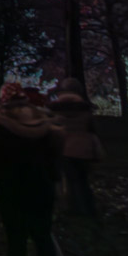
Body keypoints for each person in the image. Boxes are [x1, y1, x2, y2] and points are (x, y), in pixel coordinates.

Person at [0, 82, 62, 256]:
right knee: (43, 236)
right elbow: (54, 157)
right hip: (42, 186)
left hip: (12, 188)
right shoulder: (44, 125)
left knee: (16, 239)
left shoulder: (1, 127)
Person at [48, 77, 102, 218]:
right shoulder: (85, 110)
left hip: (64, 149)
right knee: (82, 181)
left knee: (69, 181)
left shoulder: (54, 110)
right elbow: (93, 130)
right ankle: (88, 208)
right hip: (84, 150)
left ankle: (75, 209)